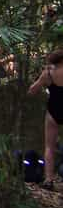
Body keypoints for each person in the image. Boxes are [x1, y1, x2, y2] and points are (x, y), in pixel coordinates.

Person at [27, 49, 63, 190]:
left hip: (53, 111)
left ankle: (48, 179)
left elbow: (32, 90)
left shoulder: (48, 74)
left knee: (49, 147)